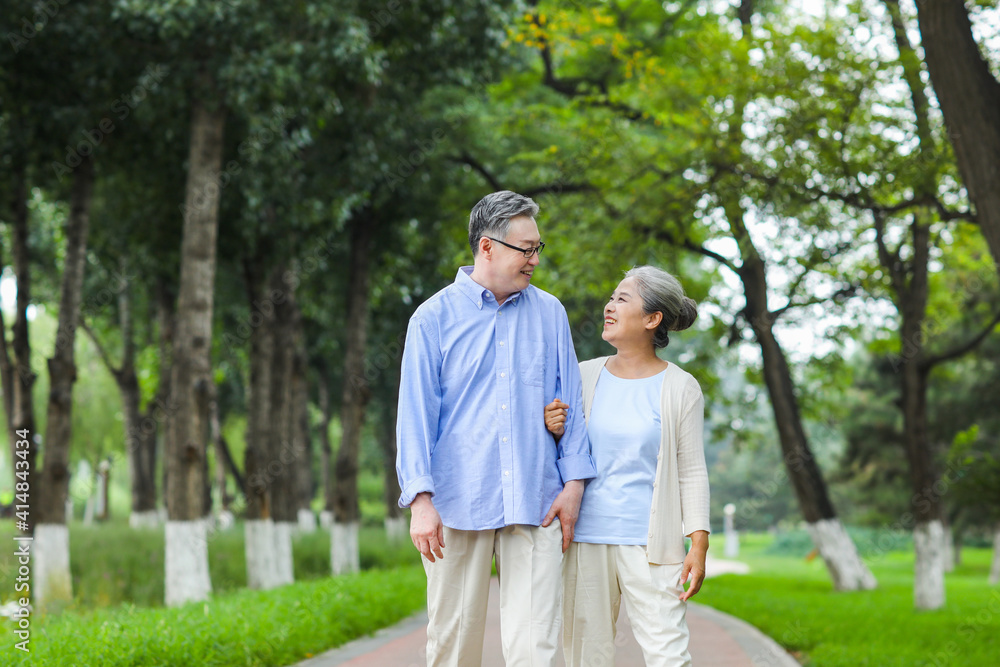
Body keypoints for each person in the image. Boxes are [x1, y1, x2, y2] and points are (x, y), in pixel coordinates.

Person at [396, 190, 597, 667]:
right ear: (487, 246)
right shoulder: (433, 318)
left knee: (537, 648)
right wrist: (420, 500)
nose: (534, 260)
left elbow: (571, 401)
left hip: (537, 499)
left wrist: (573, 485)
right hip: (455, 503)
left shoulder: (550, 313)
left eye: (537, 249)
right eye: (525, 249)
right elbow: (415, 416)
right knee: (453, 646)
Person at [544, 266, 711, 667]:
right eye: (612, 297)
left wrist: (699, 541)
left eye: (622, 299)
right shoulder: (583, 375)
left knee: (669, 655)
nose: (609, 306)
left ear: (653, 319)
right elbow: (563, 454)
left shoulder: (680, 386)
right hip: (585, 540)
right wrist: (552, 428)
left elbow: (691, 469)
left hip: (653, 546)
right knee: (587, 656)